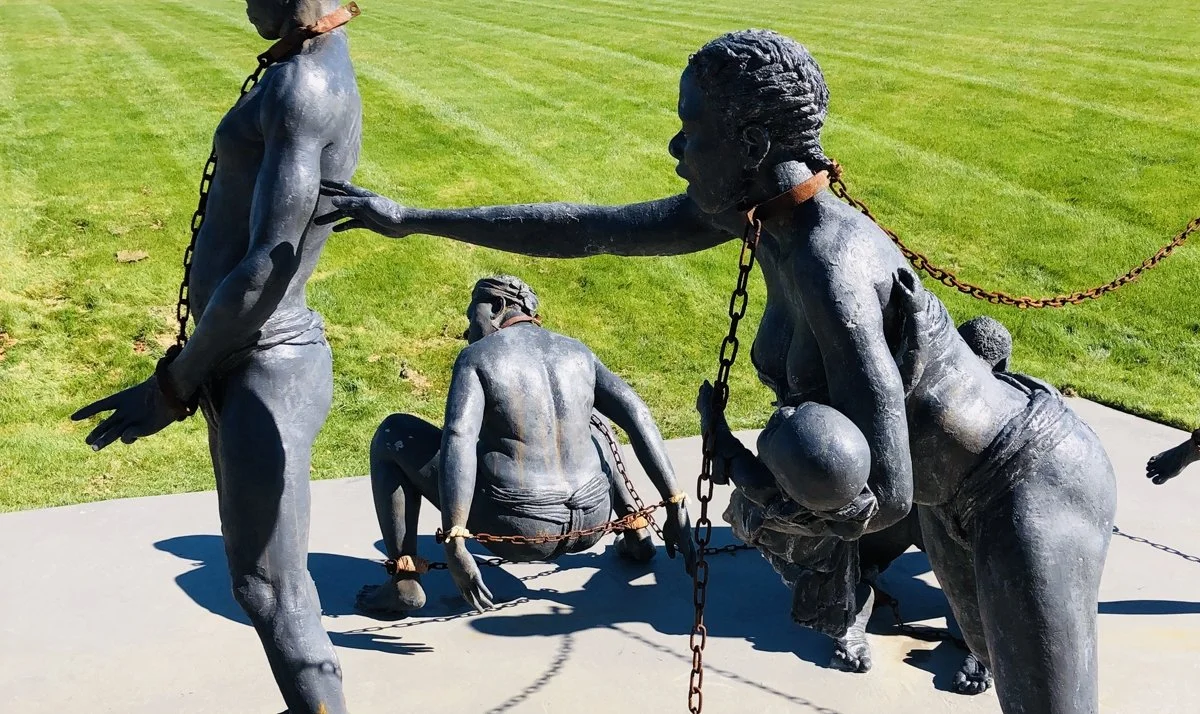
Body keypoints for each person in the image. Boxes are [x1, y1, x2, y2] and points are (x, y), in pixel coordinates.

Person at [317, 28, 1117, 713]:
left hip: (1025, 483)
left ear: (754, 147)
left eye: (690, 130)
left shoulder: (832, 263)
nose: (675, 148)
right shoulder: (761, 216)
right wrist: (413, 218)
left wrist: (765, 495)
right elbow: (590, 231)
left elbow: (890, 492)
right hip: (958, 497)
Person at [71, 2, 361, 712]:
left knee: (274, 591)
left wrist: (174, 383)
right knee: (260, 586)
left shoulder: (303, 87)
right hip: (244, 359)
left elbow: (267, 266)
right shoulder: (300, 69)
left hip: (264, 362)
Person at [358, 275, 696, 617]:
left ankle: (403, 579)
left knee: (393, 432)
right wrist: (674, 504)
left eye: (470, 315)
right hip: (594, 516)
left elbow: (458, 437)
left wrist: (455, 541)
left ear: (497, 307)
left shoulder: (477, 357)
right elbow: (637, 414)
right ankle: (634, 532)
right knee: (593, 418)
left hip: (518, 527)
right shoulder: (576, 351)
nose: (468, 328)